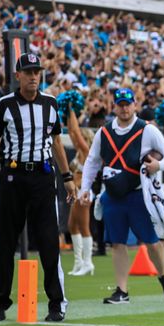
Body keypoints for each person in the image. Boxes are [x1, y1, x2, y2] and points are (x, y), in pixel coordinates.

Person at [0, 53, 77, 322]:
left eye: (37, 71)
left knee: (48, 242)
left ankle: (57, 303)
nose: (34, 76)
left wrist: (67, 176)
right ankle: (0, 301)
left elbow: (56, 142)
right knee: (5, 241)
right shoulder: (5, 105)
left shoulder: (50, 103)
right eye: (28, 71)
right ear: (17, 75)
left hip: (43, 179)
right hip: (13, 177)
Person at [79, 88, 164, 305]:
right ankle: (122, 290)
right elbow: (92, 161)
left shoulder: (147, 130)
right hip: (113, 195)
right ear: (114, 106)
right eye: (120, 104)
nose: (124, 108)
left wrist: (158, 165)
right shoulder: (103, 133)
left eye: (128, 104)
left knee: (151, 241)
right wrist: (84, 188)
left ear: (134, 105)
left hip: (138, 194)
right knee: (117, 243)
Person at [65, 108, 95, 276]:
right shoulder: (78, 153)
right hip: (76, 192)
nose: (77, 140)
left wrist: (71, 107)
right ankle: (78, 262)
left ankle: (88, 263)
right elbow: (71, 131)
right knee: (72, 226)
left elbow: (75, 131)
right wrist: (68, 114)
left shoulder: (87, 153)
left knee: (84, 227)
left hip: (85, 192)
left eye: (82, 138)